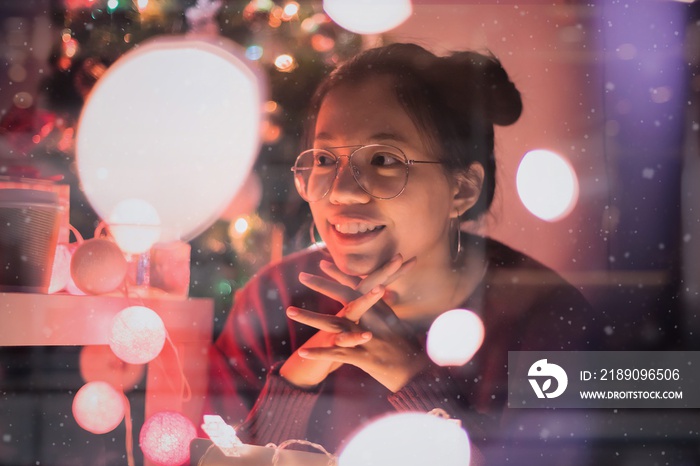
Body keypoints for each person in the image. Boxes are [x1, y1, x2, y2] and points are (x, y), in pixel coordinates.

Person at [205, 42, 607, 463]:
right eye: (324, 159)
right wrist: (295, 380)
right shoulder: (276, 300)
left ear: (462, 188)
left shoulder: (545, 320)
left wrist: (414, 381)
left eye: (382, 159)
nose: (340, 190)